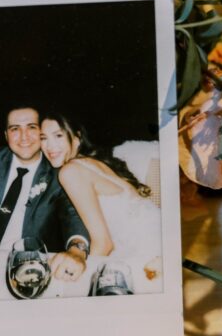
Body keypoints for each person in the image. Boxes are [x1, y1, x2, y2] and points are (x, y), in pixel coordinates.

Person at [0, 106, 90, 281]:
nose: (24, 136)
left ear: (41, 132)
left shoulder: (58, 174)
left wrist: (77, 250)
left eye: (31, 127)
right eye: (15, 129)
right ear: (6, 135)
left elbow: (72, 215)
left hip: (18, 262)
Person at [39, 112, 162, 277]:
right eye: (43, 138)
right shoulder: (89, 162)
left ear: (77, 138)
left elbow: (103, 244)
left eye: (58, 136)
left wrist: (84, 275)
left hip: (146, 255)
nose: (50, 146)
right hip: (159, 239)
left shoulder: (70, 171)